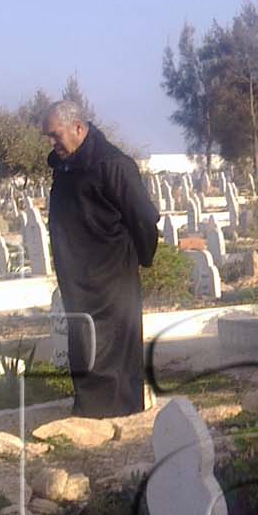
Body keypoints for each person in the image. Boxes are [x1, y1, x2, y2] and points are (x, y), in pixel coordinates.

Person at [41, 100, 160, 417]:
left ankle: (119, 412)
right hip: (77, 277)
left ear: (78, 128)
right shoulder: (64, 167)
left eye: (55, 135)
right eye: (48, 137)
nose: (52, 143)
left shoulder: (113, 164)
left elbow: (143, 218)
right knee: (85, 341)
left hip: (111, 275)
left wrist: (141, 257)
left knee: (112, 344)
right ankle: (90, 410)